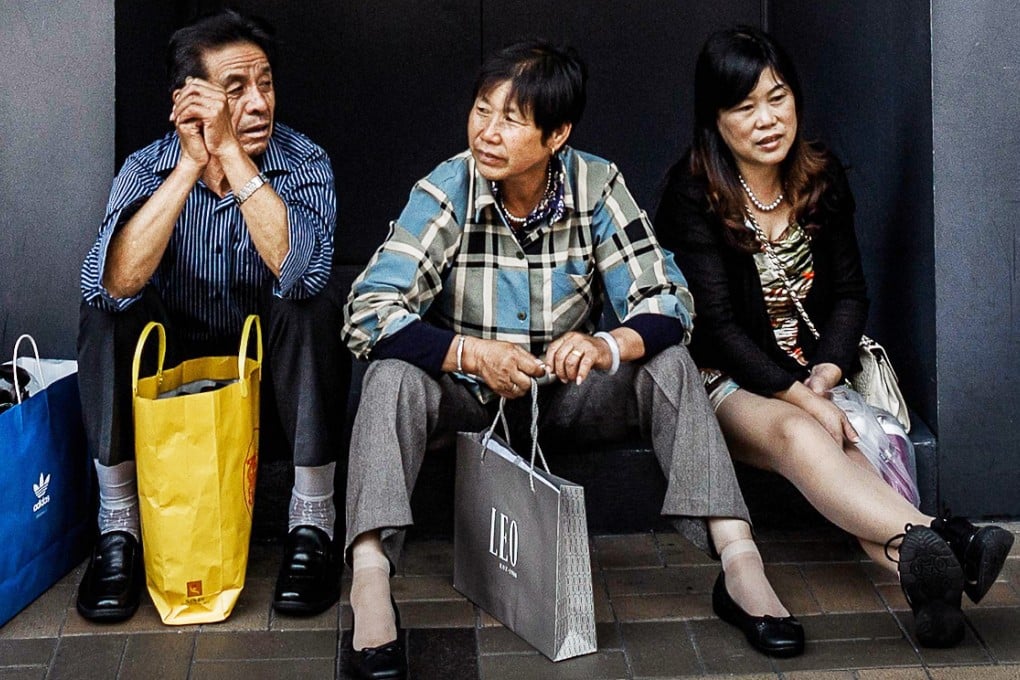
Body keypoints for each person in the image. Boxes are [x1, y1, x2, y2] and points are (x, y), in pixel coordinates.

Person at [341, 39, 805, 677]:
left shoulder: (597, 183)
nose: (488, 132)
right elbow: (368, 309)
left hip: (565, 394)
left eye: (511, 119)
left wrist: (603, 344)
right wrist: (471, 354)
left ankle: (739, 566)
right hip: (469, 399)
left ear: (557, 133)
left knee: (669, 367)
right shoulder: (449, 186)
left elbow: (670, 301)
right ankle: (370, 582)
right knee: (388, 376)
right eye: (482, 110)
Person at [653, 26, 1014, 649]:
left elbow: (849, 294)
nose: (767, 119)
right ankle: (947, 535)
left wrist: (823, 374)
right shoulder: (694, 192)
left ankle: (929, 577)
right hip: (725, 380)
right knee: (803, 432)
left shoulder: (817, 174)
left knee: (848, 454)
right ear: (715, 119)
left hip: (815, 374)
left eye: (778, 97)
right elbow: (717, 328)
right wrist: (801, 396)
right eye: (744, 107)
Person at [76, 9, 350, 622]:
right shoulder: (148, 167)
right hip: (175, 389)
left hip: (273, 394)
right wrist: (189, 169)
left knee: (313, 301)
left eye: (266, 83)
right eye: (235, 89)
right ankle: (118, 529)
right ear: (189, 100)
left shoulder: (304, 163)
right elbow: (110, 283)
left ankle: (312, 524)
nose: (258, 103)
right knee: (107, 316)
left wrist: (235, 157)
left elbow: (302, 272)